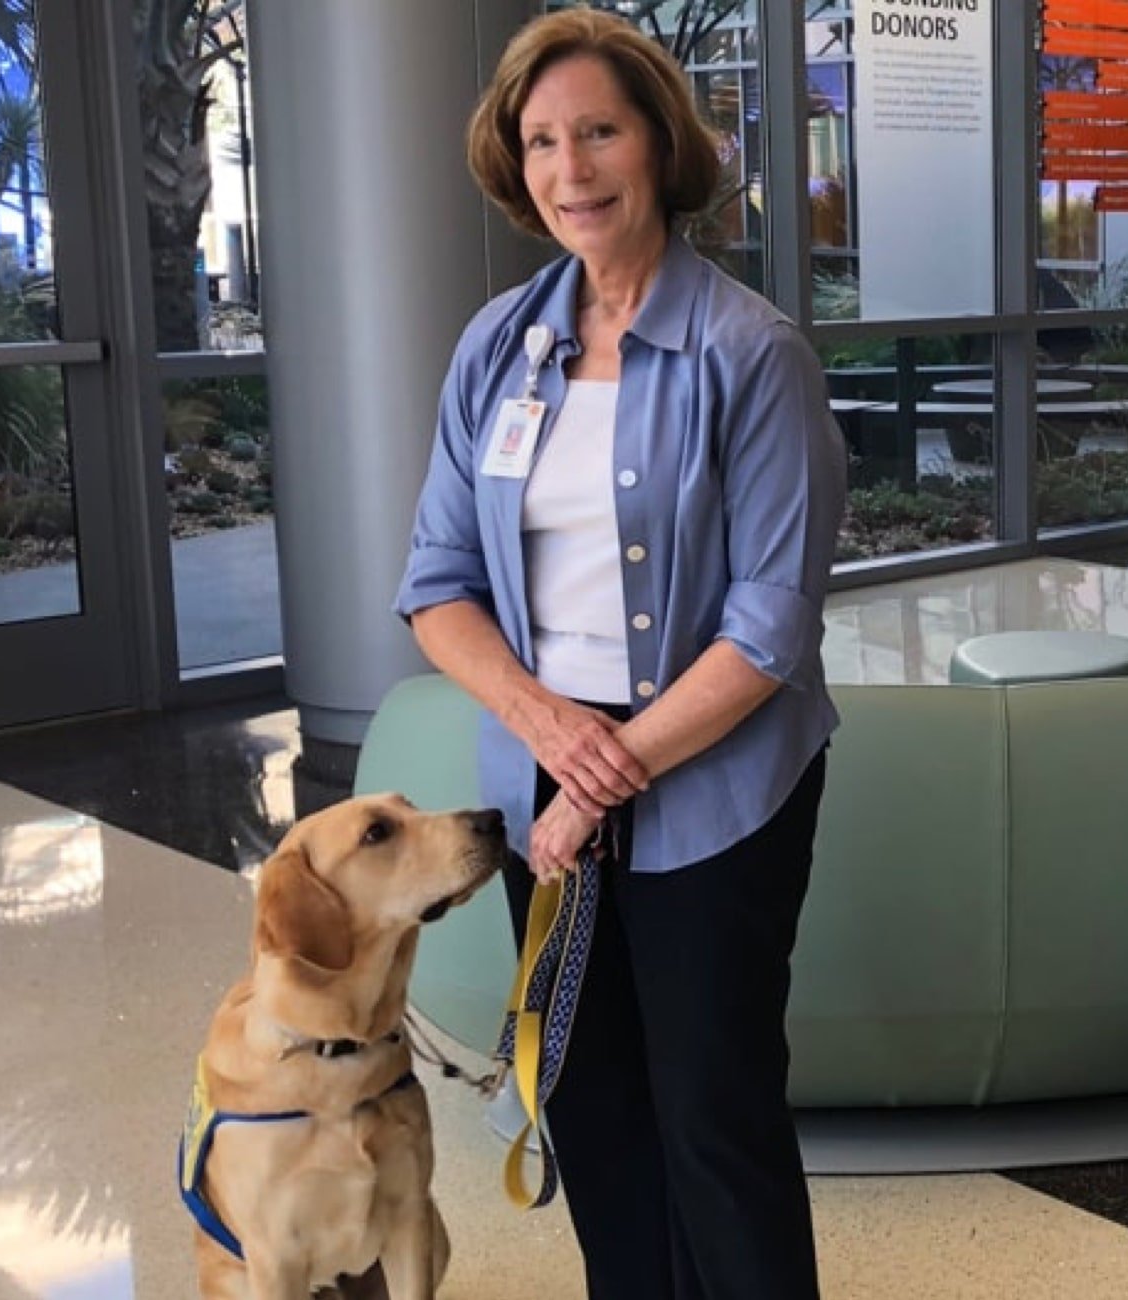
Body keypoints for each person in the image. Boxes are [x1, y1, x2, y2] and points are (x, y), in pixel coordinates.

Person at [391, 11, 845, 1300]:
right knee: (590, 1107)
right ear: (513, 164)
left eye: (599, 130)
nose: (571, 167)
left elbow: (770, 623)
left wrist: (605, 769)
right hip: (549, 766)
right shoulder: (498, 348)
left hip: (715, 772)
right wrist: (548, 733)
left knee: (715, 1115)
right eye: (542, 140)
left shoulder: (751, 355)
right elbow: (437, 586)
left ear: (659, 141)